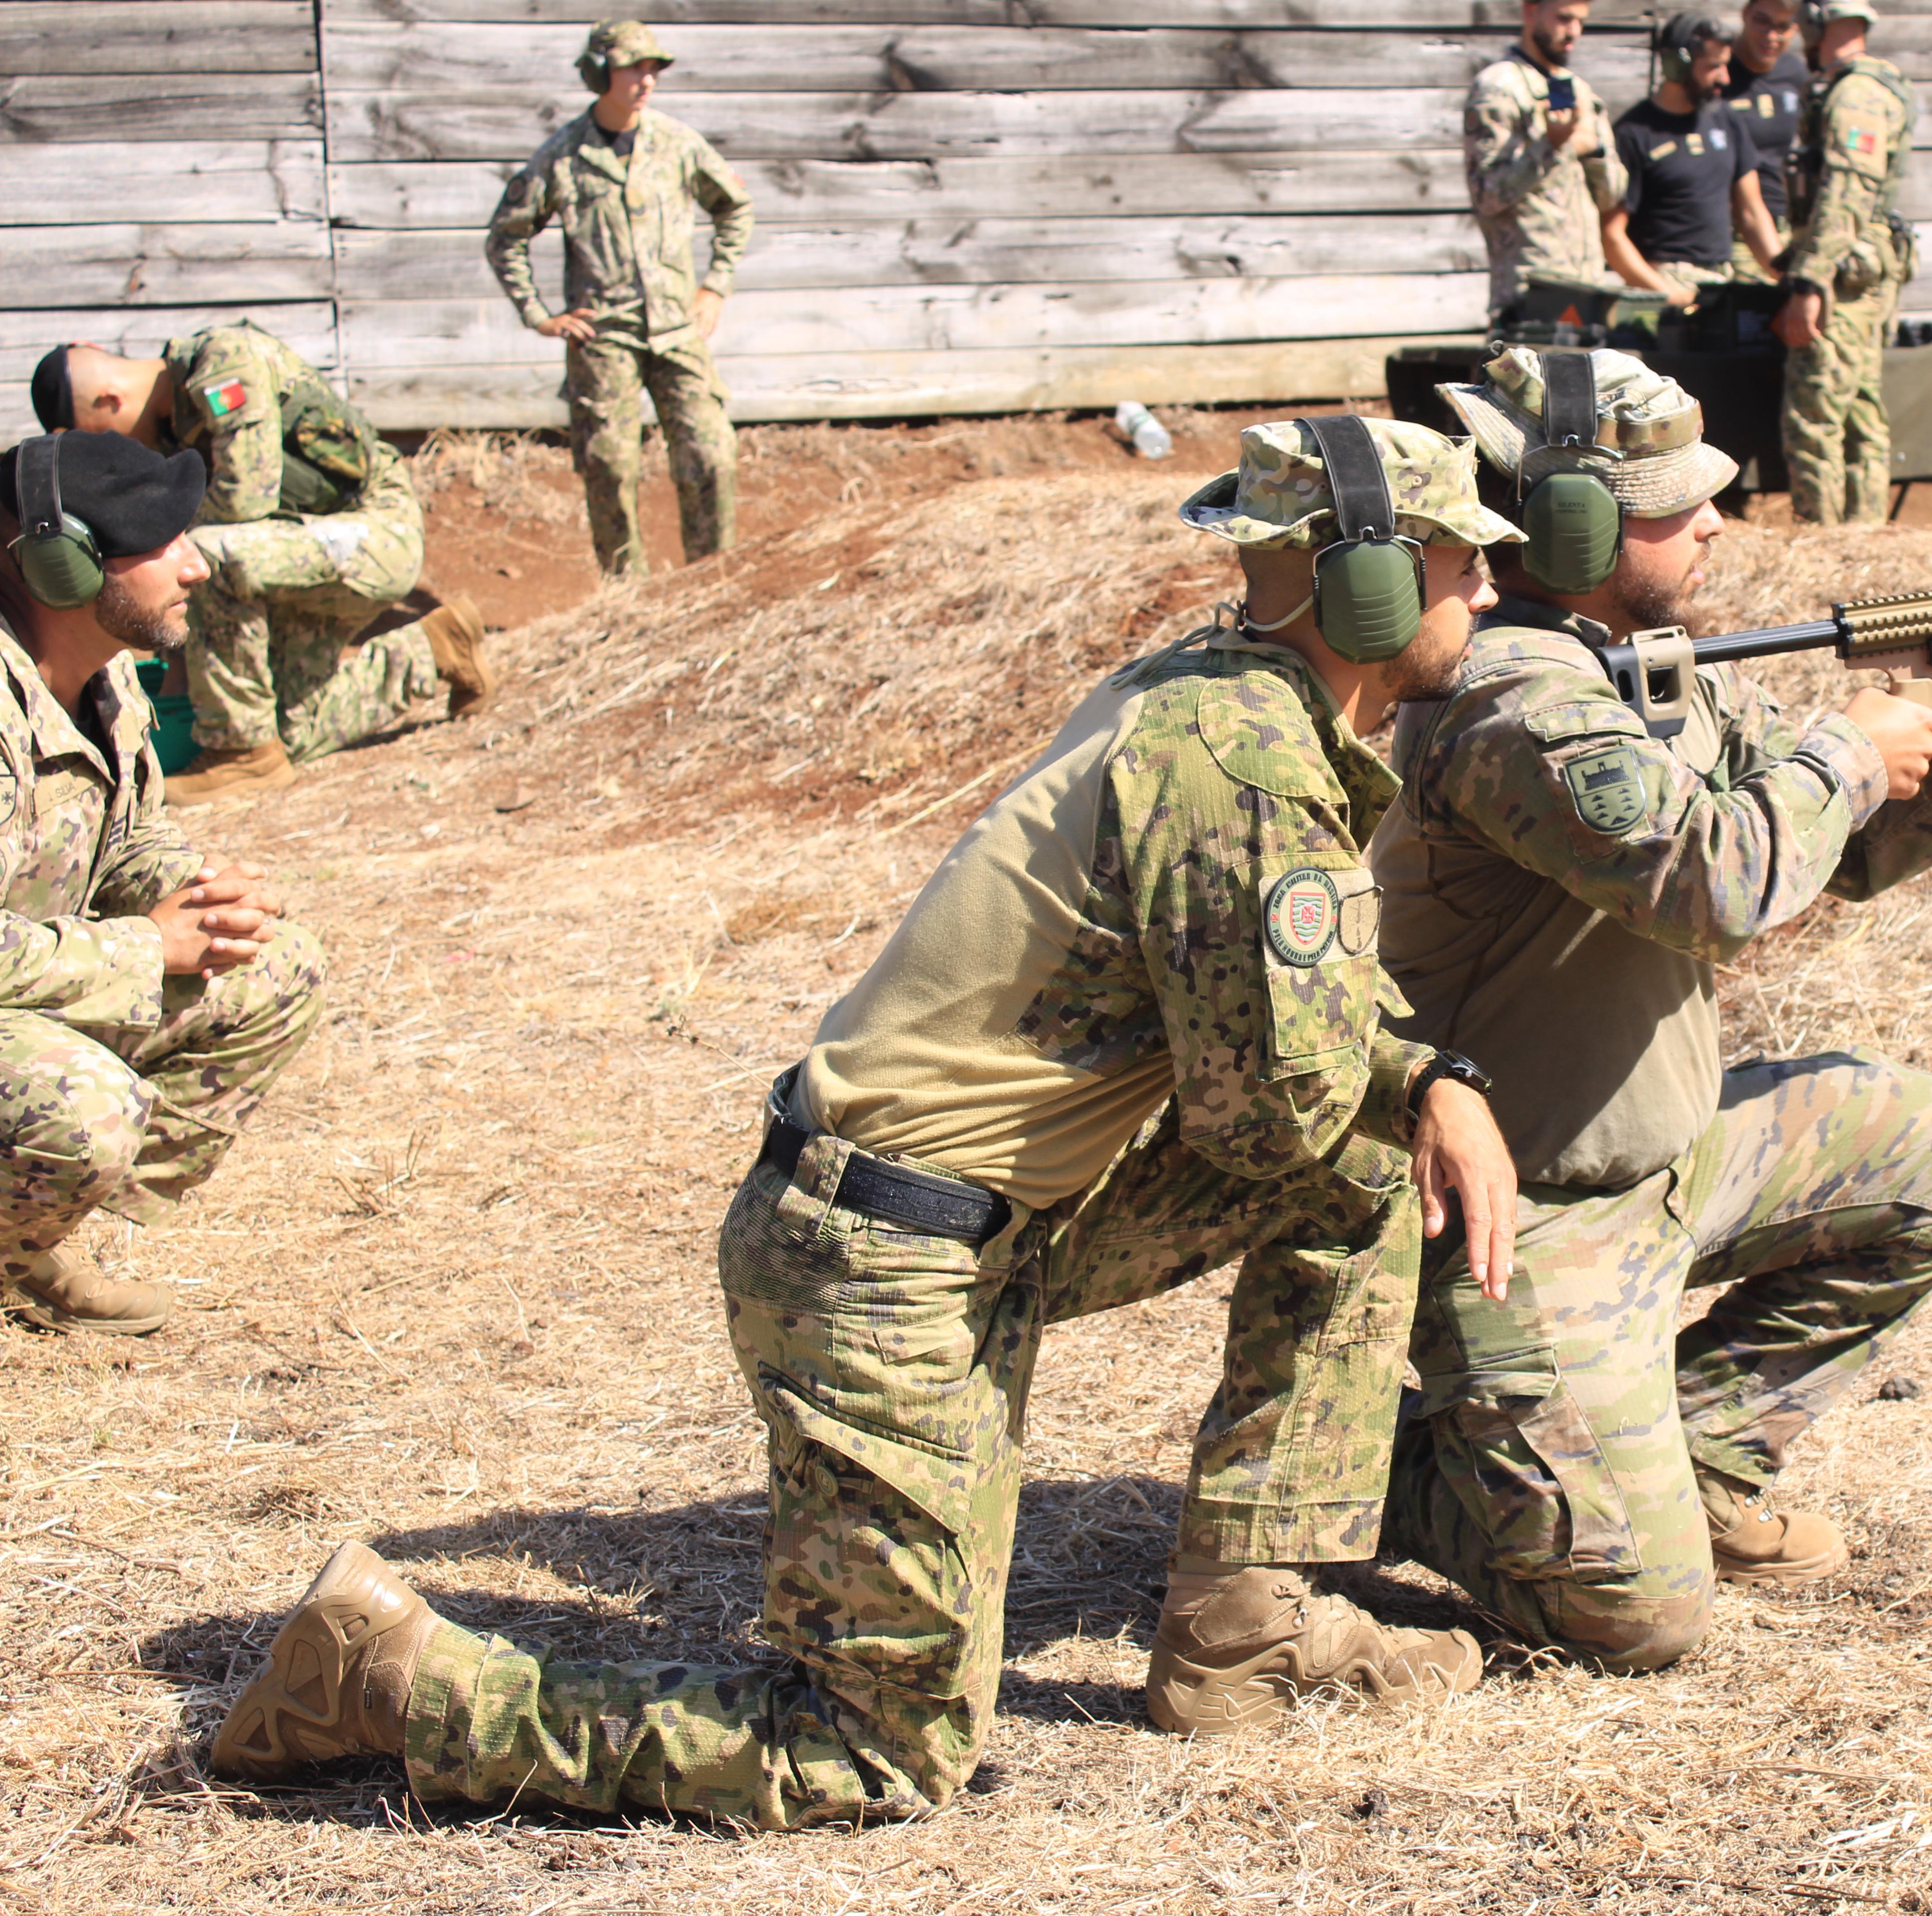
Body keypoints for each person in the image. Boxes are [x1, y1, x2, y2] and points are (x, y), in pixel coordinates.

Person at [210, 419, 1527, 1829]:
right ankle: (391, 1680)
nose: (1492, 594)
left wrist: (1432, 1082)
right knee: (870, 1754)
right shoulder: (1242, 768)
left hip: (965, 1227)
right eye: (1464, 562)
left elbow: (1296, 1067)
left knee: (1375, 1162)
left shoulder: (1212, 697)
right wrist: (1431, 1077)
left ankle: (1246, 1633)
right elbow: (1275, 1110)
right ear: (1371, 584)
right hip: (876, 1268)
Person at [1378, 348, 1932, 1669]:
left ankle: (1690, 1466)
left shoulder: (1634, 664)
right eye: (1673, 504)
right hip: (1526, 1220)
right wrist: (1848, 749)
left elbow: (1836, 851)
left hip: (1665, 1163)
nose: (1714, 524)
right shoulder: (1512, 695)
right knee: (1636, 1624)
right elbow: (1717, 883)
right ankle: (1419, 1485)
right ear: (1570, 520)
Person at [1, 430, 323, 1336]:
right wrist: (149, 945)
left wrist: (197, 892)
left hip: (35, 976)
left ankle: (21, 1245)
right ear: (65, 566)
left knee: (274, 967)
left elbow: (126, 837)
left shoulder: (102, 673)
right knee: (82, 1108)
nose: (195, 566)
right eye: (161, 540)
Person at [32, 332, 492, 804]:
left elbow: (245, 497)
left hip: (375, 531)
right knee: (288, 729)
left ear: (111, 400)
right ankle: (438, 648)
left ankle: (241, 753)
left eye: (105, 438)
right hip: (295, 549)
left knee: (203, 558)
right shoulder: (171, 428)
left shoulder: (225, 362)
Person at [486, 18, 754, 581]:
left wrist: (715, 284)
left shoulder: (677, 143)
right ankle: (626, 593)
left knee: (711, 453)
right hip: (603, 335)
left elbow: (734, 207)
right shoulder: (562, 156)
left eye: (653, 67)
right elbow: (506, 237)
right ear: (601, 73)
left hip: (677, 329)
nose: (647, 79)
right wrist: (539, 316)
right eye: (634, 67)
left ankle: (714, 584)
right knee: (609, 464)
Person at [1773, 0, 1918, 525]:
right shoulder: (1866, 85)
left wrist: (1810, 279)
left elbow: (1847, 194)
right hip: (1859, 268)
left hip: (1843, 274)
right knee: (1858, 408)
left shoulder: (1856, 93)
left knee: (1815, 415)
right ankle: (1863, 535)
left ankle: (1826, 541)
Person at [1604, 14, 1785, 305]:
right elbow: (1612, 236)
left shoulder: (1727, 119)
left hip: (1722, 281)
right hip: (1666, 282)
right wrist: (1668, 295)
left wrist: (1784, 277)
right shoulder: (1633, 134)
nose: (1725, 78)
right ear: (1678, 67)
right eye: (1714, 67)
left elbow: (1752, 212)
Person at [1465, 0, 1627, 316]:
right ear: (1531, 11)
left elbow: (1612, 196)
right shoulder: (1499, 89)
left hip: (1586, 286)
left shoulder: (1581, 92)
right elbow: (1486, 195)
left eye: (1581, 22)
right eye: (1564, 19)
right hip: (1529, 290)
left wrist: (1594, 152)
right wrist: (1552, 147)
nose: (1574, 32)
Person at [1715, 0, 1809, 283]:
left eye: (1783, 27)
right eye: (1762, 22)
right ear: (1745, 14)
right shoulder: (1718, 71)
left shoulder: (1795, 74)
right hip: (1734, 230)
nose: (1771, 37)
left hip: (1785, 223)